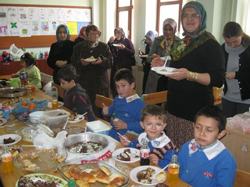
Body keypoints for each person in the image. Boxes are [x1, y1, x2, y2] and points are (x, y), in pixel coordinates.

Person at [165, 1, 226, 149]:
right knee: (174, 153)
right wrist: (162, 66)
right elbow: (176, 69)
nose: (189, 19)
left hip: (195, 113)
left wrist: (190, 75)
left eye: (194, 15)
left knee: (192, 154)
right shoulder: (182, 43)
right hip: (174, 109)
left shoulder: (210, 44)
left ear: (202, 18)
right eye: (185, 16)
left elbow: (218, 79)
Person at [179, 106, 236, 187]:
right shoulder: (187, 147)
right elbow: (177, 171)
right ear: (193, 125)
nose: (201, 133)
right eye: (198, 127)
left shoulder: (226, 160)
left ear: (221, 134)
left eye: (209, 130)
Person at [71, 24, 112, 118]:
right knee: (87, 108)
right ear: (87, 35)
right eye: (93, 34)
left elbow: (110, 63)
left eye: (98, 33)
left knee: (102, 109)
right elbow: (73, 63)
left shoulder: (104, 47)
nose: (96, 36)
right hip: (85, 82)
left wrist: (102, 61)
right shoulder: (78, 47)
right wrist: (82, 63)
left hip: (100, 83)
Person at [102, 68, 146, 141]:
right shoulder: (118, 98)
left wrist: (126, 125)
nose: (120, 90)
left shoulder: (139, 105)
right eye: (117, 86)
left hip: (128, 139)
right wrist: (107, 111)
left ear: (132, 85)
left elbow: (143, 125)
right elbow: (113, 109)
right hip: (114, 134)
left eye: (123, 86)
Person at [221, 21, 250, 117]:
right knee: (227, 128)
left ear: (241, 35)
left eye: (236, 41)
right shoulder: (222, 49)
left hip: (246, 99)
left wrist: (236, 75)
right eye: (228, 43)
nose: (232, 45)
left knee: (240, 131)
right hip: (228, 97)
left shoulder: (248, 48)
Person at [145, 18, 180, 94]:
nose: (167, 32)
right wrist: (152, 58)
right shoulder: (158, 40)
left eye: (170, 29)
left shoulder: (179, 42)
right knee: (155, 101)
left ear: (174, 29)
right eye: (165, 29)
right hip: (157, 76)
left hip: (172, 76)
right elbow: (148, 58)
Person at [108, 27, 135, 98]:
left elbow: (132, 52)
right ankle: (116, 100)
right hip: (116, 66)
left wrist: (124, 49)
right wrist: (109, 43)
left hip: (125, 66)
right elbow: (109, 52)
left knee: (126, 84)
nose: (117, 35)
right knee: (115, 85)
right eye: (115, 33)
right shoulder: (113, 42)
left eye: (118, 33)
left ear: (122, 33)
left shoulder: (127, 41)